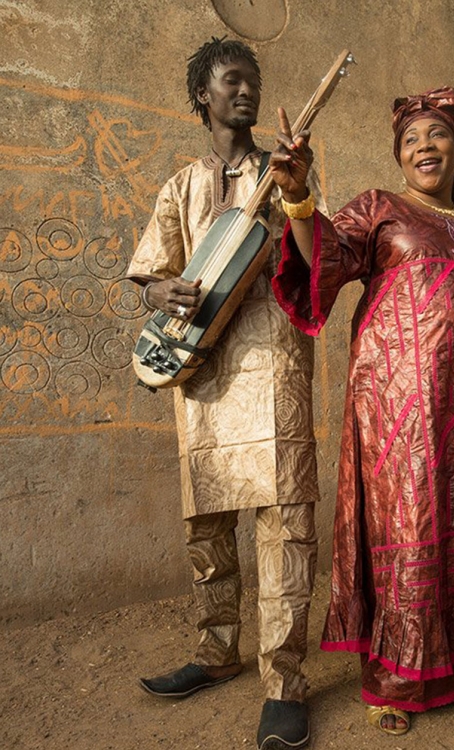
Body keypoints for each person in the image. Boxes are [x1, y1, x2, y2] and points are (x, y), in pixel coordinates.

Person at [269, 87, 454, 736]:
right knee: (409, 525)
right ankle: (396, 677)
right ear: (399, 157)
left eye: (437, 135)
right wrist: (299, 199)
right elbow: (324, 260)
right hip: (400, 409)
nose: (424, 146)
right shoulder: (379, 209)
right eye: (410, 139)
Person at [126, 37, 323, 750]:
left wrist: (297, 192)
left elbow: (314, 261)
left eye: (252, 81)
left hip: (273, 362)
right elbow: (151, 275)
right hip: (201, 368)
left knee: (284, 522)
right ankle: (217, 651)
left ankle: (284, 683)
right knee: (206, 521)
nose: (245, 90)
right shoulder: (181, 186)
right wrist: (160, 292)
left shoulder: (288, 168)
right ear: (201, 96)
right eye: (230, 80)